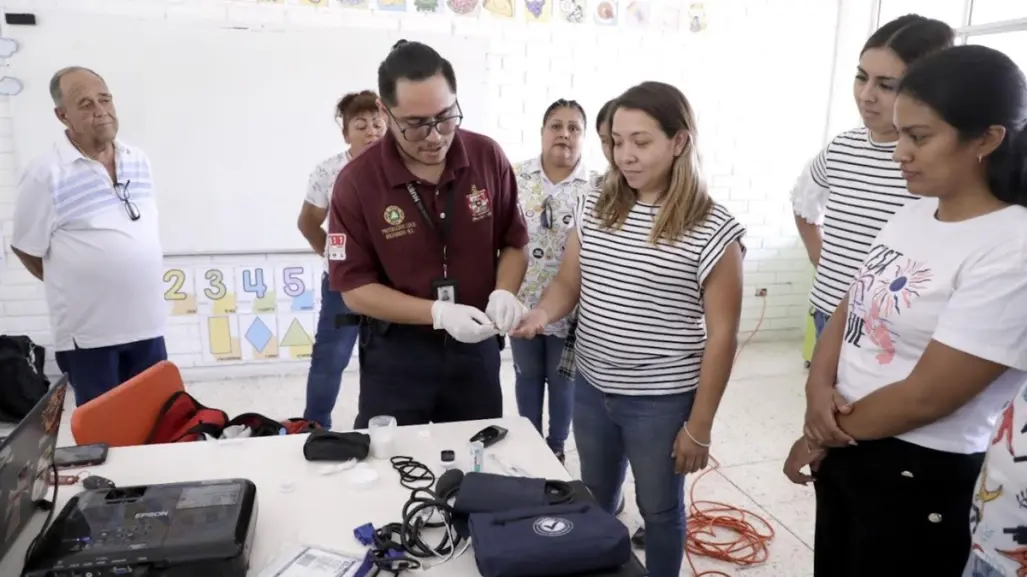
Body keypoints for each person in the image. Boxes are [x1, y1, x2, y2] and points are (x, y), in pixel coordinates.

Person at [783, 45, 1027, 577]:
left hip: (917, 466)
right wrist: (816, 392)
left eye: (919, 137)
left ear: (986, 139)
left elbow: (928, 396)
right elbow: (854, 301)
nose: (900, 154)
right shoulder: (913, 209)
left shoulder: (1012, 246)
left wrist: (821, 434)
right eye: (900, 135)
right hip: (852, 440)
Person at [513, 81, 746, 577]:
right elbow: (570, 280)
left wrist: (699, 427)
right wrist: (540, 313)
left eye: (641, 142)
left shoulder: (712, 228)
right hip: (593, 391)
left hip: (661, 403)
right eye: (617, 141)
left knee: (660, 510)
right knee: (596, 497)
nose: (625, 155)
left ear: (679, 142)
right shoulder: (596, 204)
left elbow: (722, 337)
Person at [328, 40, 529, 428]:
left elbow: (513, 241)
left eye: (446, 117)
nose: (435, 136)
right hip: (397, 353)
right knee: (393, 466)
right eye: (417, 124)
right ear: (386, 114)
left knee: (478, 459)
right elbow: (354, 289)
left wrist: (505, 290)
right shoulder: (357, 183)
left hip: (475, 344)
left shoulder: (487, 158)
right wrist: (436, 313)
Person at [11, 67, 166, 406]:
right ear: (62, 115)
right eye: (85, 103)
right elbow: (25, 248)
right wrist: (77, 283)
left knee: (157, 423)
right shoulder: (45, 173)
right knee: (105, 433)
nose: (100, 110)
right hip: (90, 337)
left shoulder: (138, 160)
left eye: (105, 99)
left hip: (148, 326)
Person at [790, 14, 953, 338]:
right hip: (828, 310)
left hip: (894, 327)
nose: (866, 95)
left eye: (886, 85)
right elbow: (803, 203)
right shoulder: (842, 147)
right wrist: (821, 259)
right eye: (861, 77)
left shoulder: (938, 164)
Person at [511, 98, 596, 462]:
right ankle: (529, 445)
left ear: (583, 136)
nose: (564, 134)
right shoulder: (514, 177)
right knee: (527, 374)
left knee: (564, 380)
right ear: (543, 132)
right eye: (556, 126)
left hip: (573, 305)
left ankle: (556, 447)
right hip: (521, 298)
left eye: (574, 127)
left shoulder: (598, 186)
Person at [298, 90, 386, 430]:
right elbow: (307, 222)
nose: (371, 132)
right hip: (343, 287)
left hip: (390, 286)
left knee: (383, 363)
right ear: (345, 132)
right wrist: (337, 261)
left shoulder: (402, 168)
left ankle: (376, 427)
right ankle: (314, 429)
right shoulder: (329, 171)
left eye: (377, 124)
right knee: (329, 359)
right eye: (360, 125)